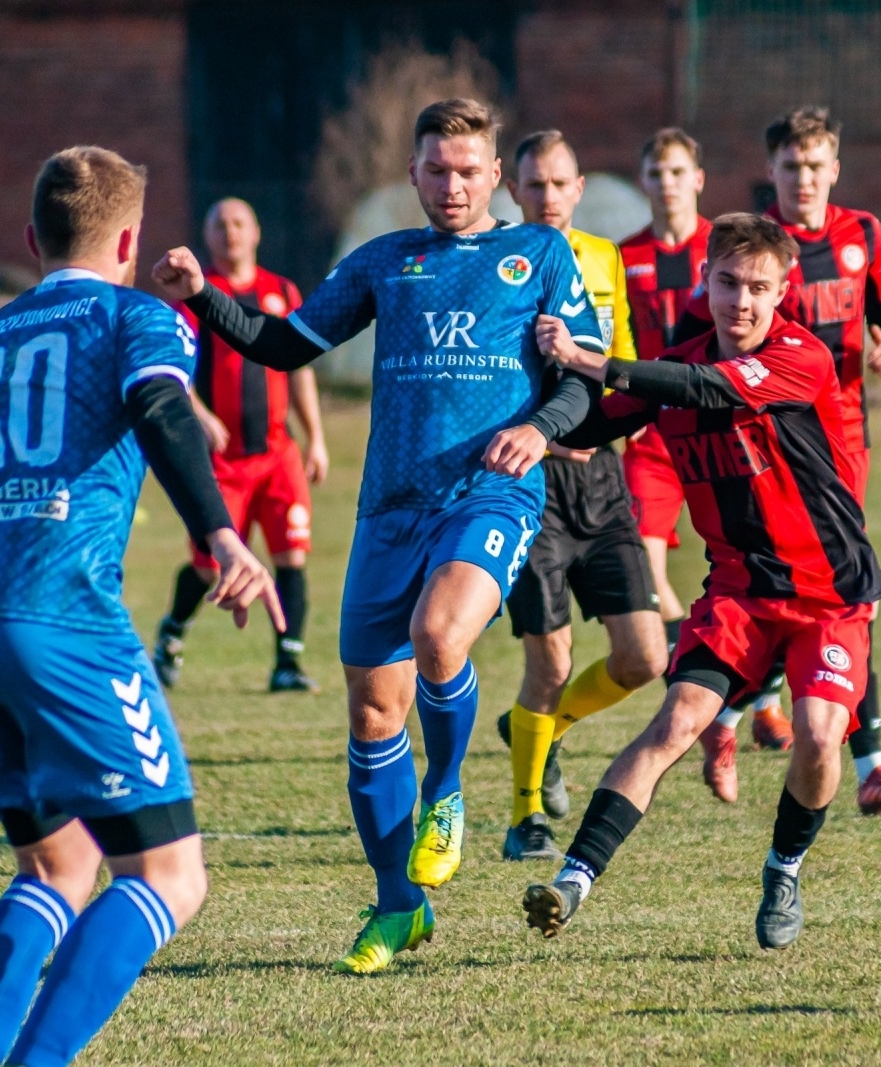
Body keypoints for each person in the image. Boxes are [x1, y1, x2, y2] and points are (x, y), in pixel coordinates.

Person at [151, 99, 605, 974]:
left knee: (441, 635)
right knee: (369, 712)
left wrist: (542, 428)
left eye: (469, 170)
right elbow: (284, 345)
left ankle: (446, 793)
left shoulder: (537, 253)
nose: (452, 185)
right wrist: (204, 296)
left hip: (490, 493)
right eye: (436, 169)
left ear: (497, 177)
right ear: (412, 174)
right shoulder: (385, 263)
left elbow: (582, 381)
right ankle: (401, 906)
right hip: (388, 509)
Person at [0, 146, 283, 1066]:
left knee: (59, 865)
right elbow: (161, 406)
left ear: (33, 238)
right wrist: (222, 534)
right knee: (167, 873)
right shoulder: (137, 315)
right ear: (129, 239)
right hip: (58, 616)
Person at [520, 211, 881, 952]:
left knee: (816, 738)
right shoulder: (679, 364)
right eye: (727, 283)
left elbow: (700, 388)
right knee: (675, 722)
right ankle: (572, 879)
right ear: (707, 281)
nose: (740, 301)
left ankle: (783, 867)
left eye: (757, 288)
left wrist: (596, 360)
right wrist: (529, 409)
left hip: (828, 594)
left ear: (782, 293)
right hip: (739, 591)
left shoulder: (797, 358)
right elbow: (590, 426)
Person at [672, 107, 881, 815]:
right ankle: (838, 751)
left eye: (817, 165)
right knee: (800, 586)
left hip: (844, 436)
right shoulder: (752, 250)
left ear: (836, 169)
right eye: (792, 167)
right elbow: (690, 340)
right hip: (764, 445)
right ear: (772, 172)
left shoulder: (865, 234)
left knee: (840, 590)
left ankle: (803, 741)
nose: (805, 179)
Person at [495, 129, 668, 862]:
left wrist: (615, 423)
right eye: (535, 185)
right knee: (551, 662)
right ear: (514, 191)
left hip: (603, 480)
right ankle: (527, 813)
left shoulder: (603, 258)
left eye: (561, 184)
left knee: (644, 657)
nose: (549, 197)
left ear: (579, 187)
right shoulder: (491, 265)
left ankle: (538, 728)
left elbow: (619, 350)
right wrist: (539, 430)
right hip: (530, 479)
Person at [151, 197, 328, 694]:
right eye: (219, 225)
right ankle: (171, 637)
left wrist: (314, 439)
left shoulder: (281, 290)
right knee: (209, 564)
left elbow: (299, 368)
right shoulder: (195, 293)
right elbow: (172, 367)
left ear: (256, 233)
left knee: (291, 554)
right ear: (207, 237)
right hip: (221, 463)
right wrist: (201, 415)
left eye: (238, 223)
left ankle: (287, 663)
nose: (230, 233)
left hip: (278, 454)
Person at [618, 129, 710, 657]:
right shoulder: (625, 256)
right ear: (642, 182)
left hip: (715, 423)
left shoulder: (723, 247)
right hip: (650, 434)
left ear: (698, 179)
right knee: (645, 575)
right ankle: (701, 672)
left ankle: (759, 700)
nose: (667, 184)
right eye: (657, 174)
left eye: (678, 172)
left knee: (750, 566)